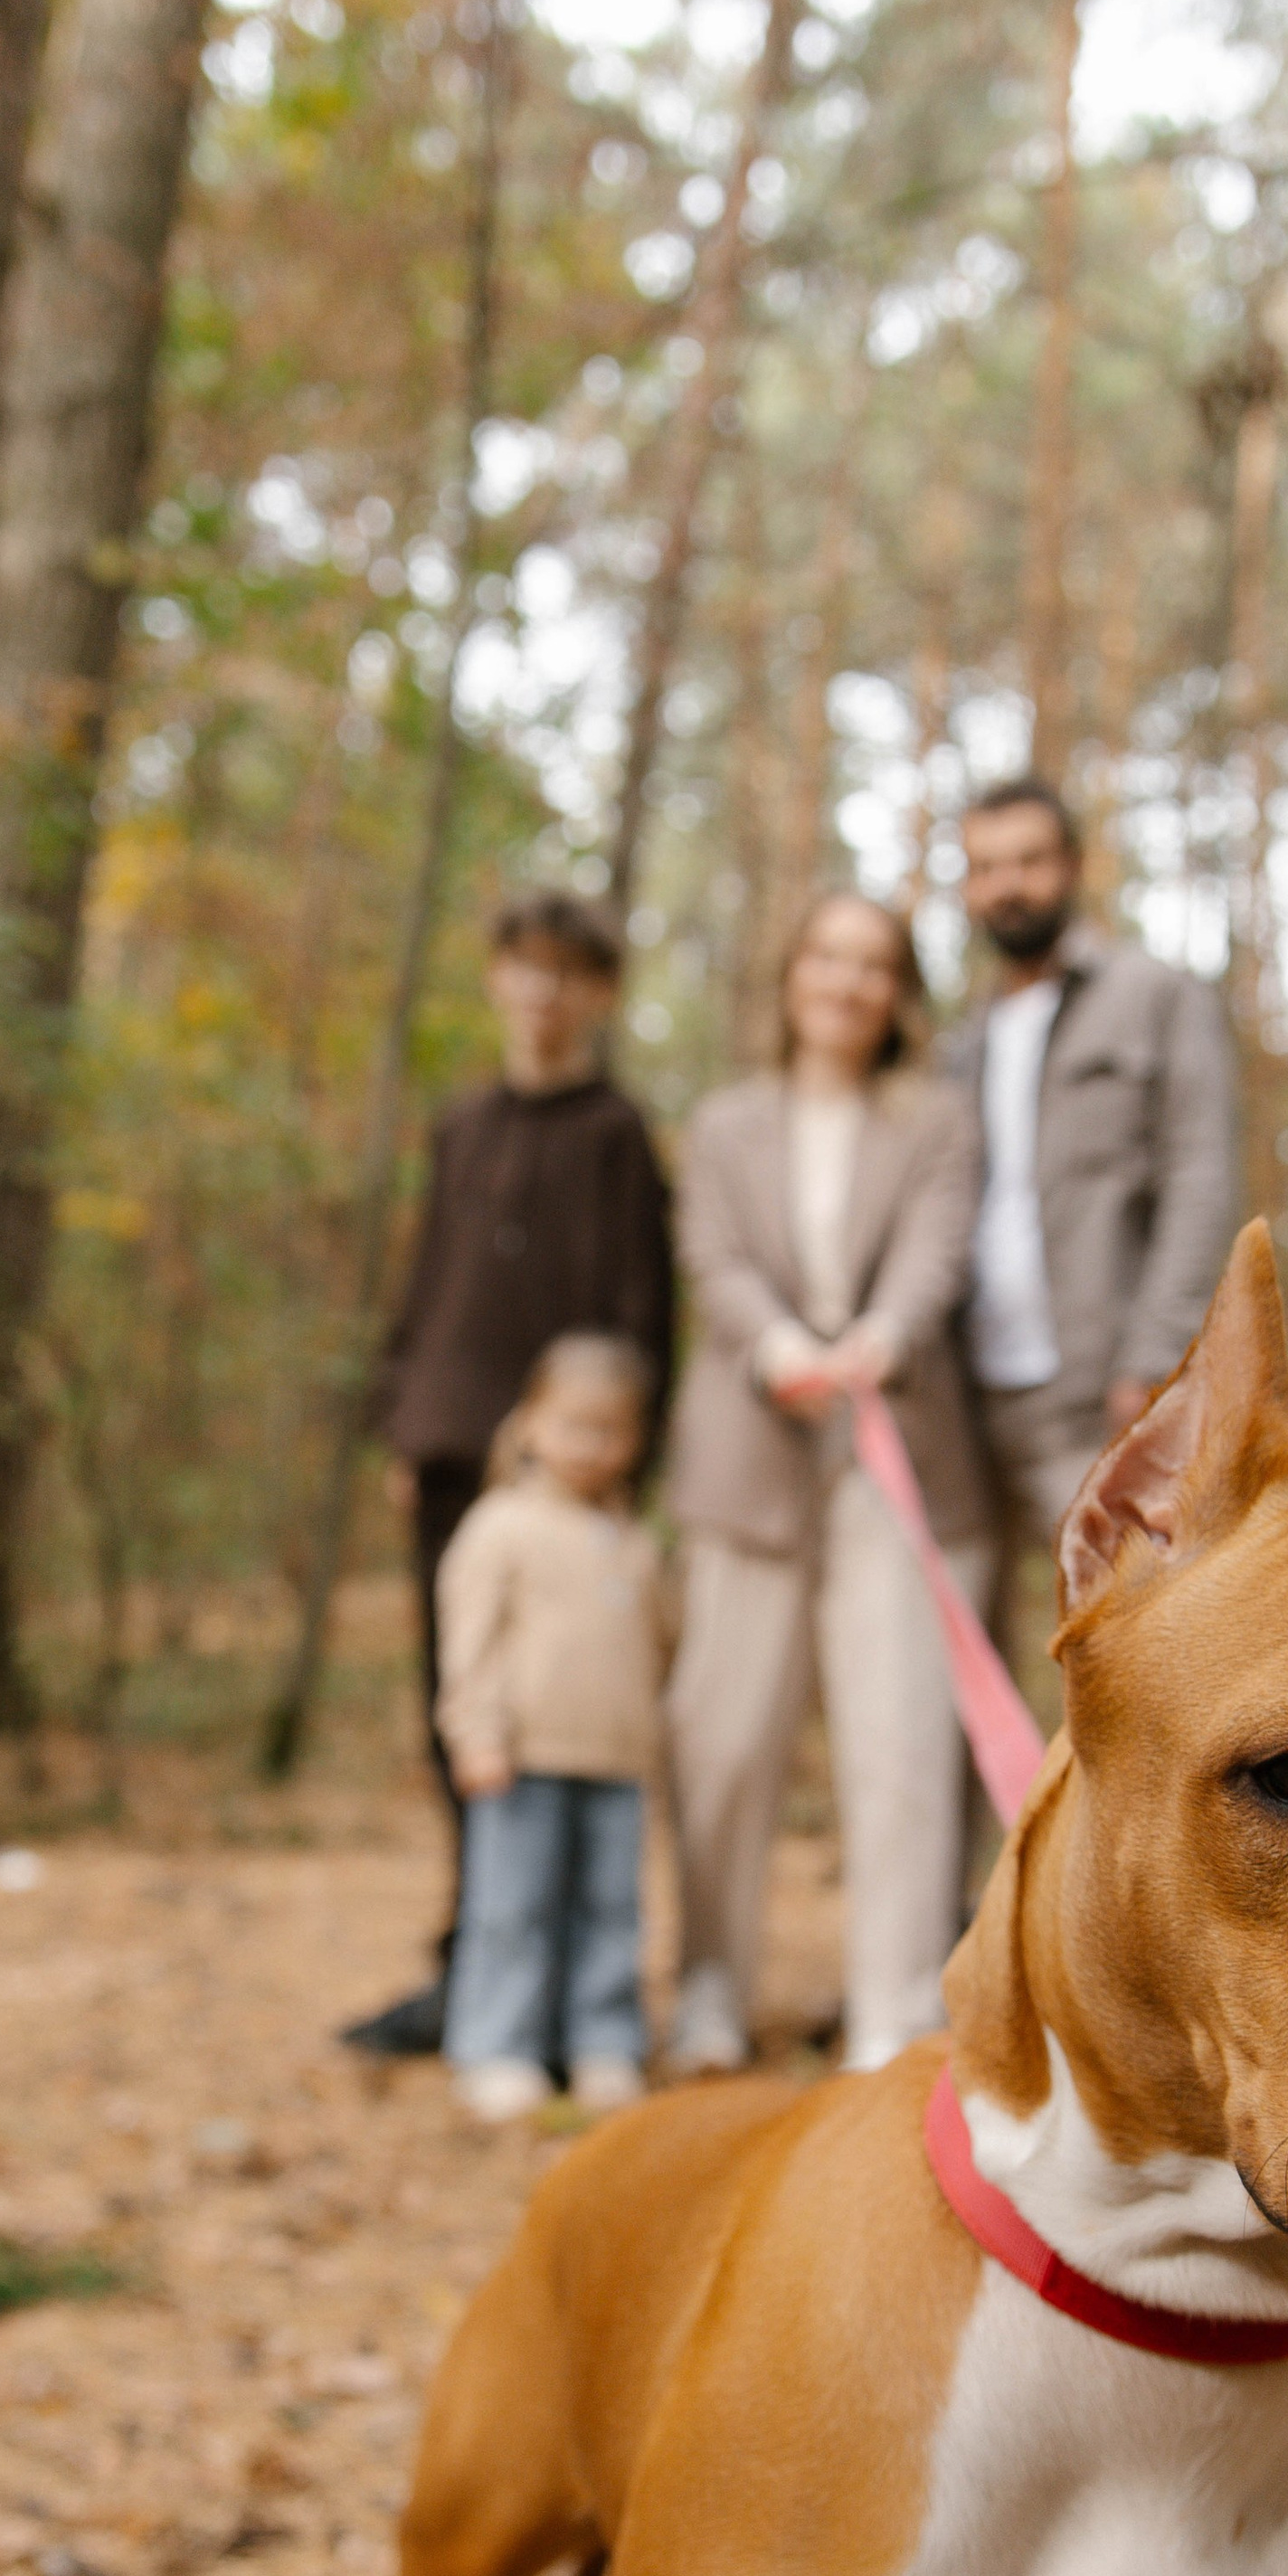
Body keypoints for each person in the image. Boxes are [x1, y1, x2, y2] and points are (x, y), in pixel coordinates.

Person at [344, 892, 675, 2057]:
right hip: (447, 1448)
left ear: (597, 995)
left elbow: (643, 1316)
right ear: (496, 981)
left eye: (565, 976)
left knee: (554, 1722)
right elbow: (427, 1279)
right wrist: (400, 1422)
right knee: (463, 1707)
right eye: (522, 971)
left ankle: (551, 1989)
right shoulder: (462, 1124)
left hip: (564, 1473)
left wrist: (631, 1460)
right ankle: (470, 1960)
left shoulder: (615, 1136)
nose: (540, 995)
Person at [666, 894, 989, 2078]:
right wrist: (777, 1351)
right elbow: (714, 1257)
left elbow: (935, 1249)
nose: (848, 983)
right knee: (725, 1737)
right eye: (829, 957)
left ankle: (892, 2016)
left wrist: (884, 1340)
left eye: (874, 964)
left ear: (899, 991)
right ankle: (709, 1987)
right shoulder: (723, 1123)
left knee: (898, 1746)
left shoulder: (938, 1120)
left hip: (898, 1460)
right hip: (749, 1460)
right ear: (790, 973)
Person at [935, 774, 1237, 1559]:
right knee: (977, 1654)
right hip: (970, 1401)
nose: (1009, 885)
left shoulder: (1155, 998)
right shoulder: (960, 1046)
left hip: (1101, 1394)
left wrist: (1155, 1363)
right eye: (986, 866)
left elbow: (1201, 1181)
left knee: (1143, 1632)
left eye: (1030, 860)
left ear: (1072, 866)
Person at [432, 1335, 669, 2124]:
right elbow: (469, 1640)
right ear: (531, 1424)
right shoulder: (501, 1526)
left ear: (634, 1440)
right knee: (513, 1907)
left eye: (609, 1431)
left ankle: (601, 2039)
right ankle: (499, 2045)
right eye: (572, 1425)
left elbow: (660, 1648)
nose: (589, 1448)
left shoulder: (636, 1541)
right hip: (522, 1756)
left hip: (615, 1760)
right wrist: (475, 1731)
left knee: (610, 1908)